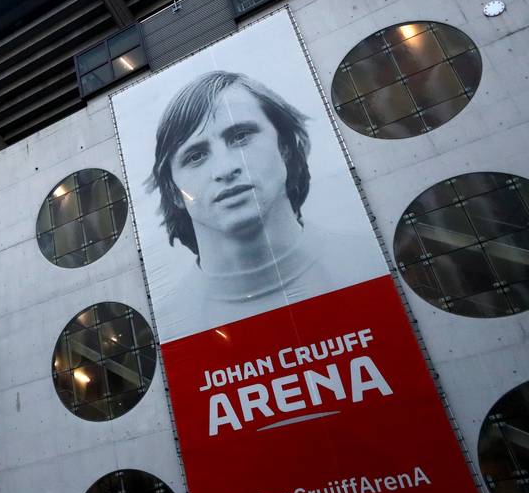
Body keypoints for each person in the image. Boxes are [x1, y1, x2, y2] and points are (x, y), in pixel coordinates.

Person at [146, 70, 372, 334]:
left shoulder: (369, 262)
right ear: (174, 191)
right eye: (195, 156)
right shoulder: (171, 324)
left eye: (240, 136)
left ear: (285, 147)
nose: (225, 169)